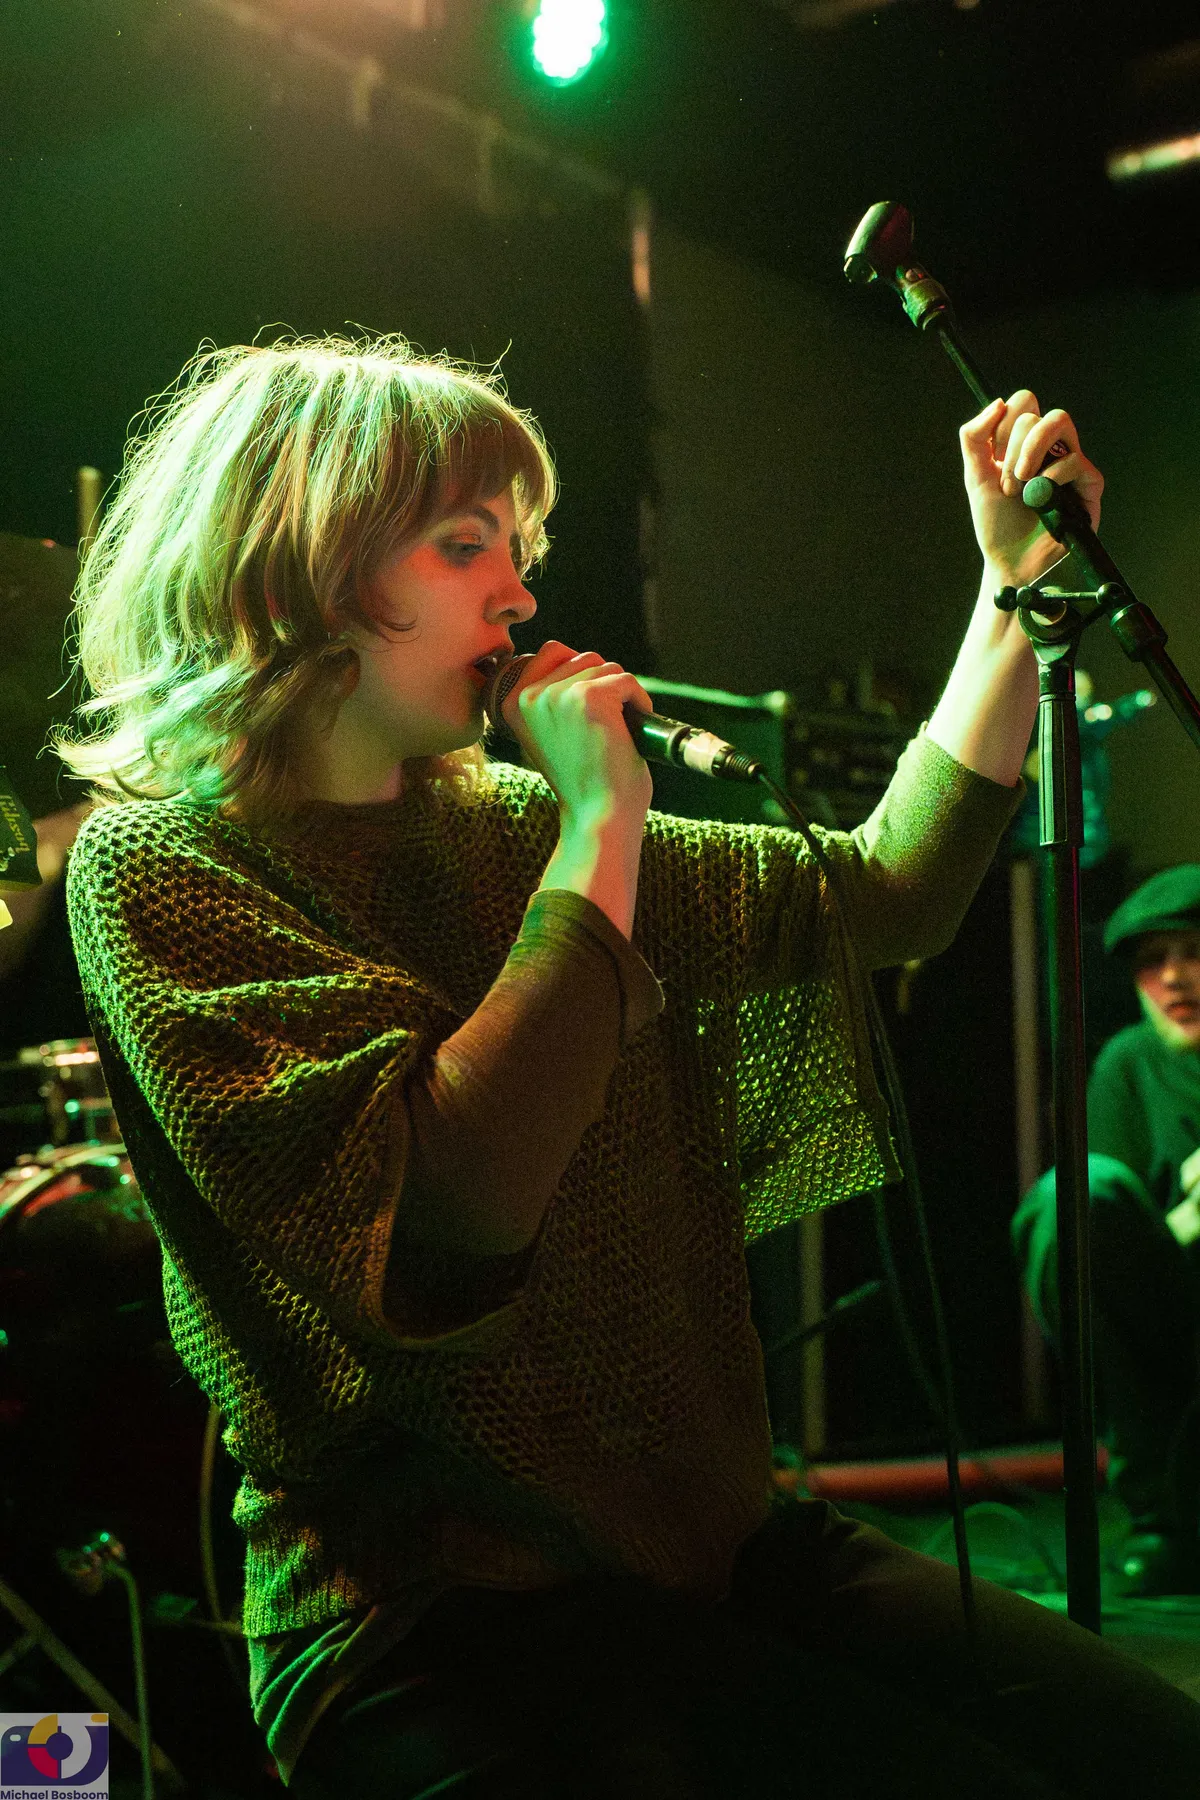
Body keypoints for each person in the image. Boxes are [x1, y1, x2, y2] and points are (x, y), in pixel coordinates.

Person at [59, 335, 1200, 1797]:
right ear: (298, 565)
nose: (518, 594)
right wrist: (599, 826)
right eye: (464, 543)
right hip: (436, 1621)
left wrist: (1010, 593)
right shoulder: (163, 864)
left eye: (520, 549)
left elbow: (888, 895)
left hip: (722, 1551)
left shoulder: (510, 828)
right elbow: (451, 1226)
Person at [1013, 867, 1200, 1598]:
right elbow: (1106, 1230)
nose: (1173, 976)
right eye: (1152, 961)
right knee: (1070, 1198)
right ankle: (1164, 1515)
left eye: (1193, 951)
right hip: (1178, 1314)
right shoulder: (1127, 1064)